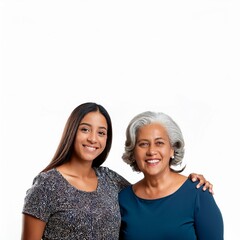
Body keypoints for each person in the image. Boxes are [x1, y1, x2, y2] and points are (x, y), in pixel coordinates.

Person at [21, 102, 214, 240]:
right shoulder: (47, 185)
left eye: (101, 133)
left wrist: (191, 182)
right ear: (72, 132)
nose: (93, 139)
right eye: (85, 130)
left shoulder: (109, 180)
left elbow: (152, 193)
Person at [119, 111, 224, 240]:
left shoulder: (198, 193)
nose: (151, 151)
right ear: (134, 152)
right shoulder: (122, 200)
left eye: (159, 143)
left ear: (172, 149)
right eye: (143, 144)